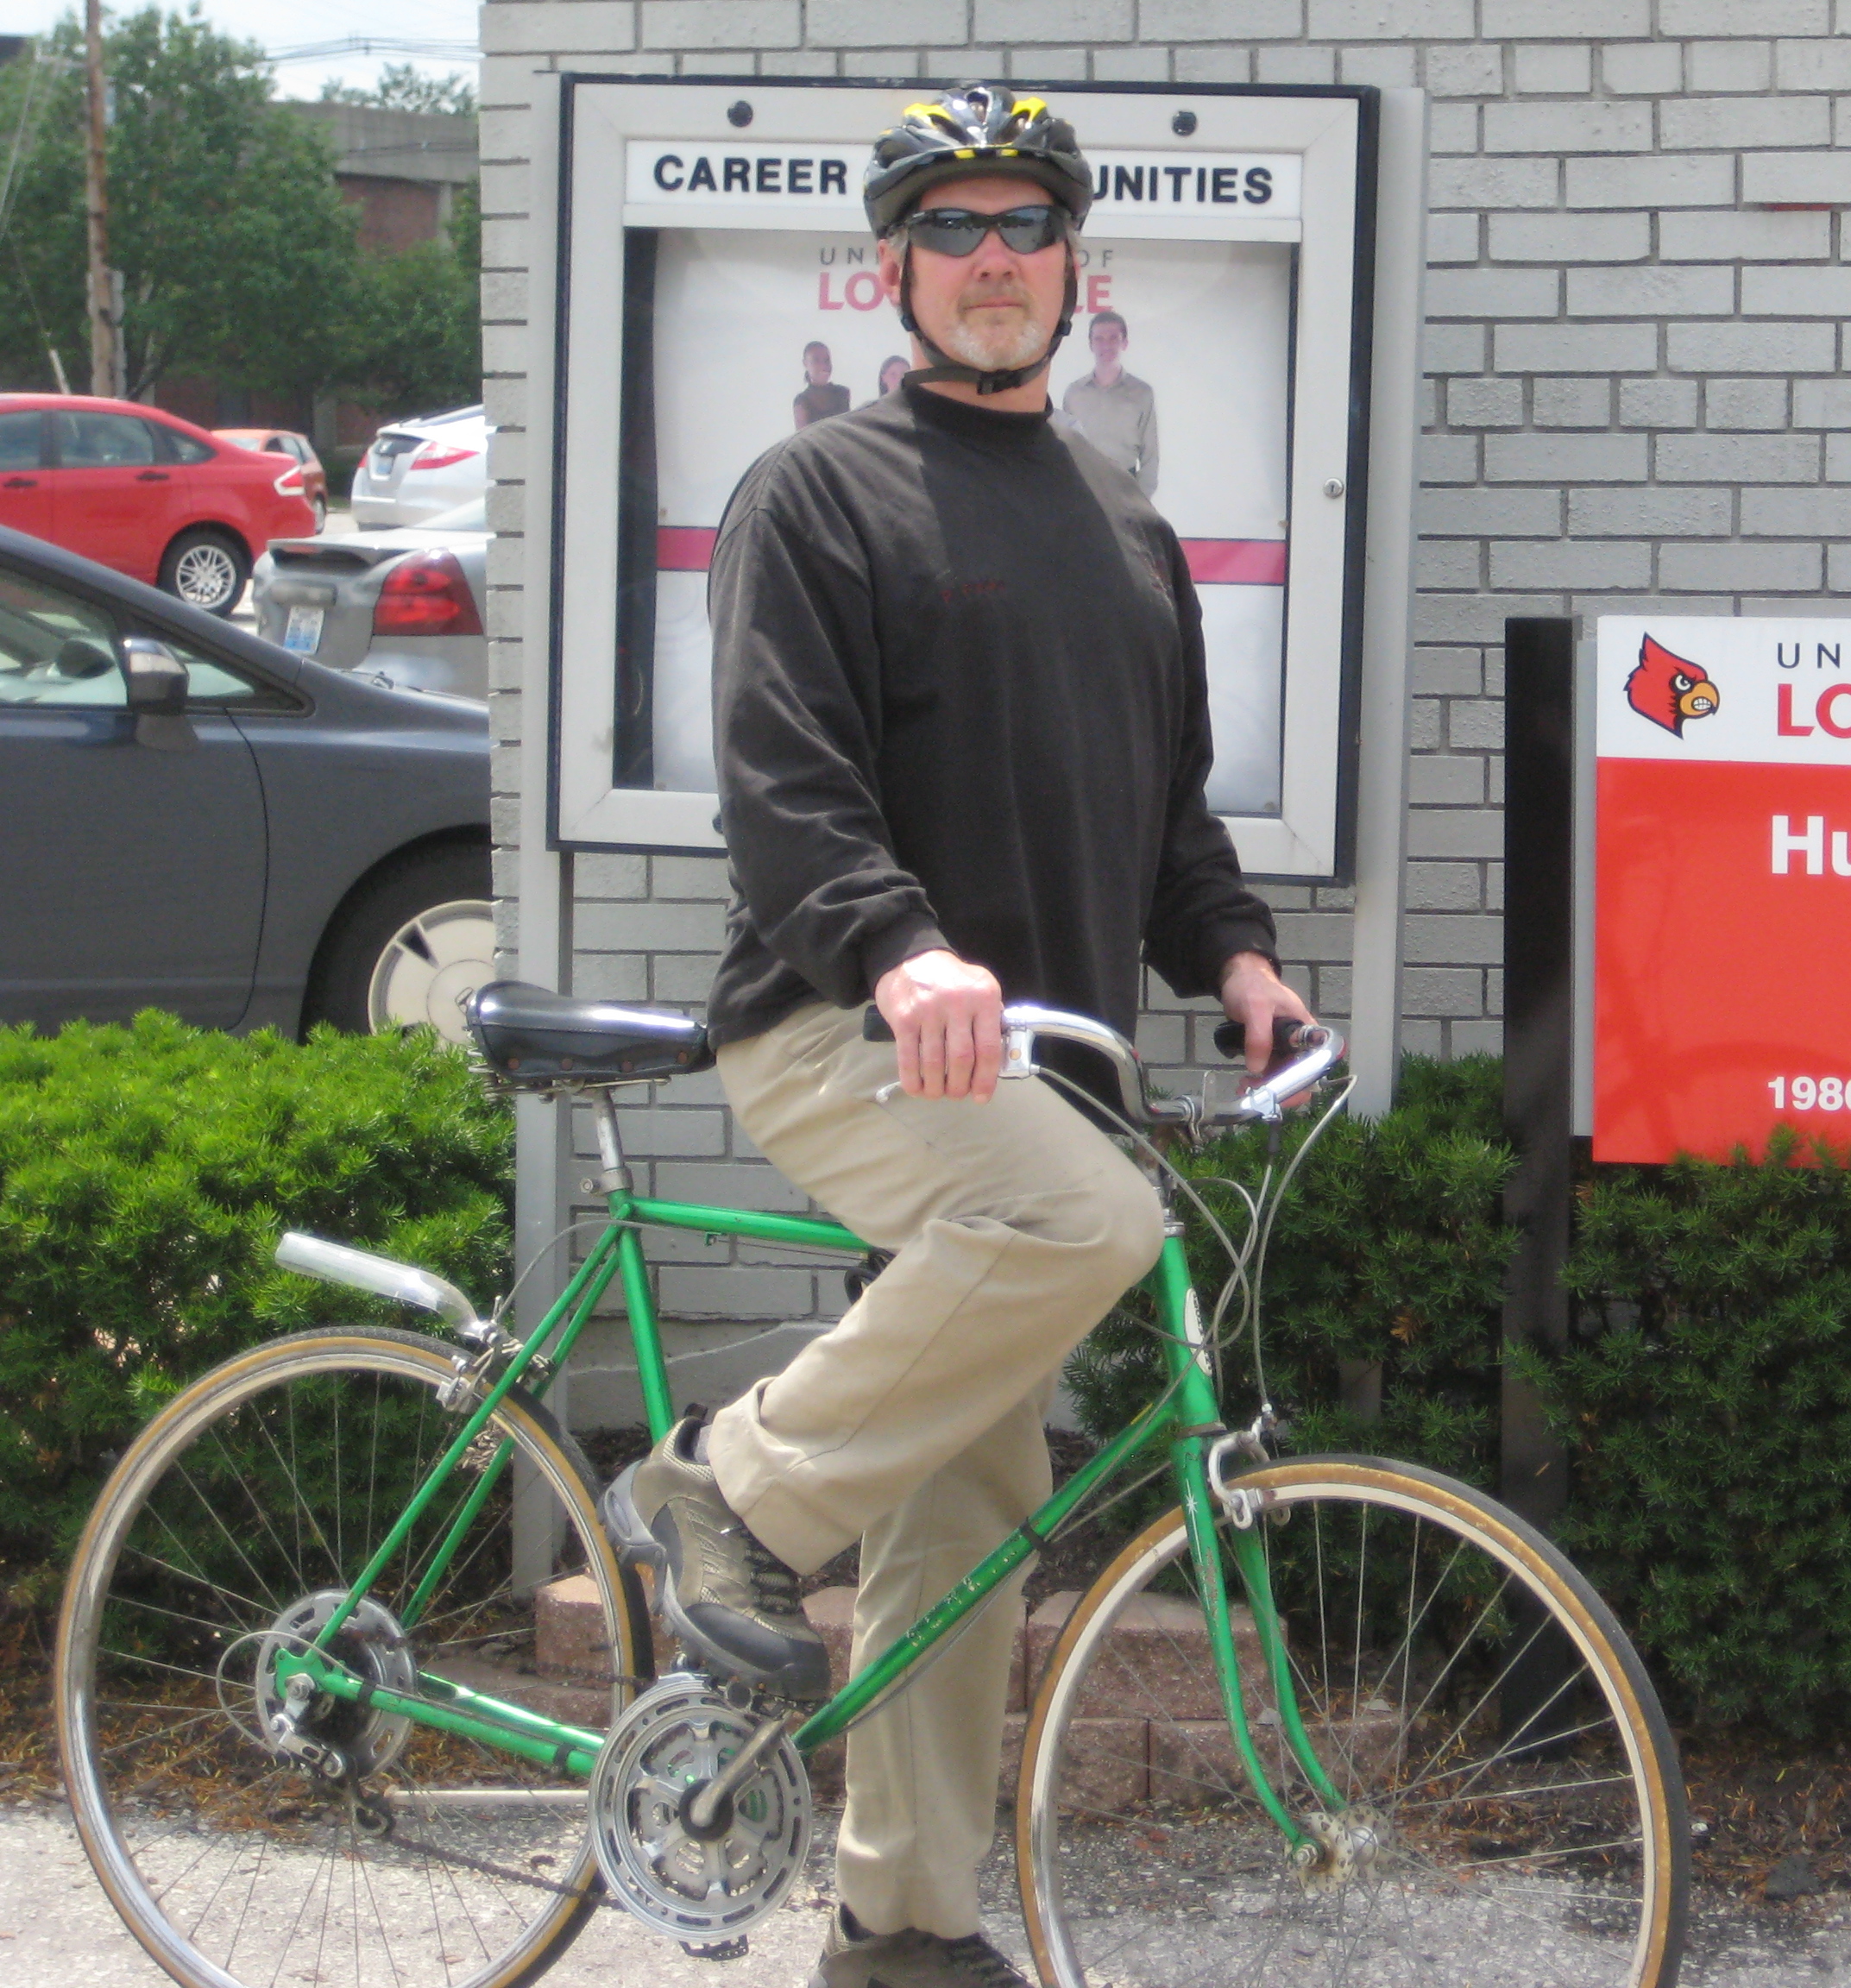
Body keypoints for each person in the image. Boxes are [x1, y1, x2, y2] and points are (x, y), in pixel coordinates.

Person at [601, 84, 1314, 1988]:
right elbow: (786, 789)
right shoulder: (819, 491)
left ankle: (901, 1921)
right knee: (1096, 1230)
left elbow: (1166, 821)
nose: (990, 259)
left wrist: (1236, 961)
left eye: (1023, 225)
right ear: (896, 270)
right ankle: (723, 1493)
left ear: (1078, 264)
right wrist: (902, 953)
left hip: (1038, 1069)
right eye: (951, 228)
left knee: (974, 1504)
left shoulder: (1126, 526)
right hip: (846, 1029)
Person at [1057, 308, 1157, 495]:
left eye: (1113, 338)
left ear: (1125, 343)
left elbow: (1150, 455)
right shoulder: (1074, 393)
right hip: (1083, 488)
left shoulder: (1142, 393)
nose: (1106, 345)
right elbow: (1065, 449)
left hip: (1126, 488)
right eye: (1099, 339)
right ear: (1090, 345)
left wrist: (1141, 502)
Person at [795, 341, 851, 427]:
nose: (823, 366)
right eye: (816, 360)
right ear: (805, 364)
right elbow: (802, 438)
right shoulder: (802, 401)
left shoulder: (843, 393)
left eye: (827, 360)